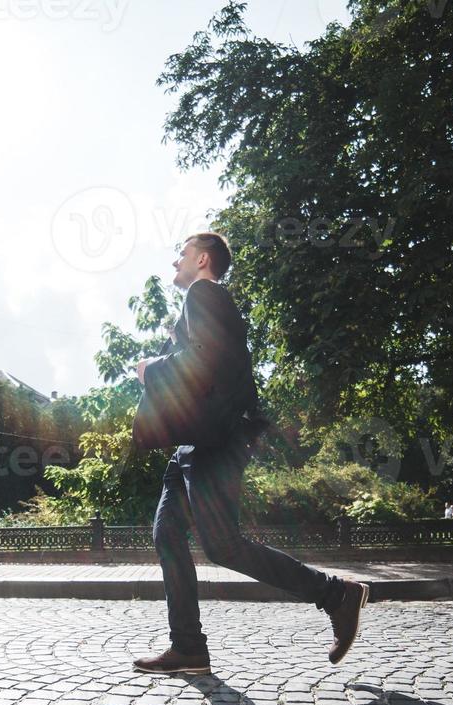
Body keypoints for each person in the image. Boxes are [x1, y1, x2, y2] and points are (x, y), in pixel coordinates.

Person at [130, 233, 369, 675]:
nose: (174, 263)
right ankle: (188, 646)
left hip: (216, 441)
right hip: (196, 441)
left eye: (180, 255)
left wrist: (151, 370)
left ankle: (337, 594)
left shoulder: (204, 293)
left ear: (202, 259)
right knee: (167, 535)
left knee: (222, 545)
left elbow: (204, 361)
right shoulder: (203, 302)